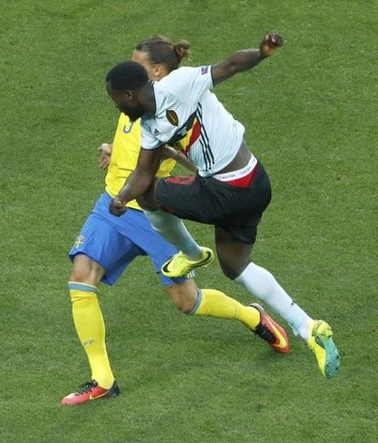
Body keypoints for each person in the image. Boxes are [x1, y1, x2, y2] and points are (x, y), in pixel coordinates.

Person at [61, 35, 290, 407]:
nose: (132, 68)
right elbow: (133, 144)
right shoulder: (131, 102)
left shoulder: (169, 107)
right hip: (113, 206)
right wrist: (113, 149)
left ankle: (250, 316)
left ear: (154, 71)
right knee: (80, 279)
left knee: (188, 302)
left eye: (138, 63)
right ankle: (103, 379)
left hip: (152, 215)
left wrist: (177, 159)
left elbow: (185, 161)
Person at [105, 32, 340, 379]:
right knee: (236, 266)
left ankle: (191, 253)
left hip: (226, 189)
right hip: (255, 181)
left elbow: (229, 65)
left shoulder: (179, 84)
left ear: (128, 94)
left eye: (115, 101)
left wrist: (261, 53)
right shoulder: (150, 127)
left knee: (149, 195)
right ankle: (309, 328)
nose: (116, 108)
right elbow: (142, 171)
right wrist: (121, 197)